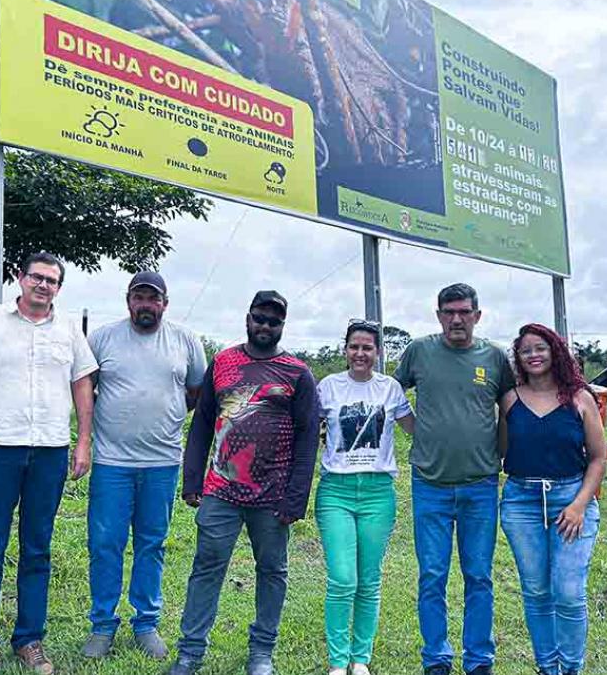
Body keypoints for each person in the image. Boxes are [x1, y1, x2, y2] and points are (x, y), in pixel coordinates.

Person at [0, 252, 98, 675]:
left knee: (37, 548)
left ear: (59, 288)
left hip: (49, 450)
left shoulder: (68, 329)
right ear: (20, 278)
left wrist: (82, 442)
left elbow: (82, 384)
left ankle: (29, 639)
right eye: (37, 277)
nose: (43, 285)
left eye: (52, 280)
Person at [168, 291, 320, 675]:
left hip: (273, 495)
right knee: (207, 567)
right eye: (259, 318)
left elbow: (307, 438)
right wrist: (192, 479)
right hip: (221, 490)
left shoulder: (297, 373)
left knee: (272, 570)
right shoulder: (223, 363)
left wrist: (296, 498)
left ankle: (262, 652)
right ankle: (190, 652)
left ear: (282, 326)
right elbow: (202, 423)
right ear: (248, 318)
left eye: (273, 321)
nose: (265, 326)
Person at [81, 272, 207, 661]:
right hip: (111, 462)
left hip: (162, 462)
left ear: (165, 303)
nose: (146, 304)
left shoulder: (186, 340)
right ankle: (103, 625)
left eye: (153, 298)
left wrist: (167, 415)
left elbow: (196, 392)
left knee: (152, 544)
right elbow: (84, 389)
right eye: (139, 297)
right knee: (105, 544)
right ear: (128, 301)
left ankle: (146, 623)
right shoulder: (102, 338)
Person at [394, 283, 515, 675]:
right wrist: (417, 430)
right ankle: (436, 658)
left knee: (479, 576)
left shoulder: (495, 357)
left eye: (464, 312)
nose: (457, 319)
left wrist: (502, 455)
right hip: (430, 484)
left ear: (477, 315)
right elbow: (391, 393)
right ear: (438, 315)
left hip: (481, 485)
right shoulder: (419, 351)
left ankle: (479, 660)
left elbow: (511, 410)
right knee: (432, 576)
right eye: (449, 312)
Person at [499, 324, 606, 675]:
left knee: (569, 591)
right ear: (518, 358)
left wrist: (578, 505)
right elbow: (499, 449)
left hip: (570, 500)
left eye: (540, 347)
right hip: (521, 502)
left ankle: (570, 668)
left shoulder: (580, 398)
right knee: (536, 591)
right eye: (526, 350)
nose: (533, 355)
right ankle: (547, 668)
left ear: (555, 351)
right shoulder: (510, 400)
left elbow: (598, 459)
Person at [316, 320, 415, 675]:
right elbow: (305, 429)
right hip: (336, 492)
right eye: (354, 347)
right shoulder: (328, 387)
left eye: (367, 348)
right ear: (345, 349)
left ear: (378, 352)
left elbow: (417, 429)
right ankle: (337, 662)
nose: (360, 353)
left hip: (377, 493)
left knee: (369, 580)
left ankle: (360, 659)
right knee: (343, 579)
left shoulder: (390, 389)